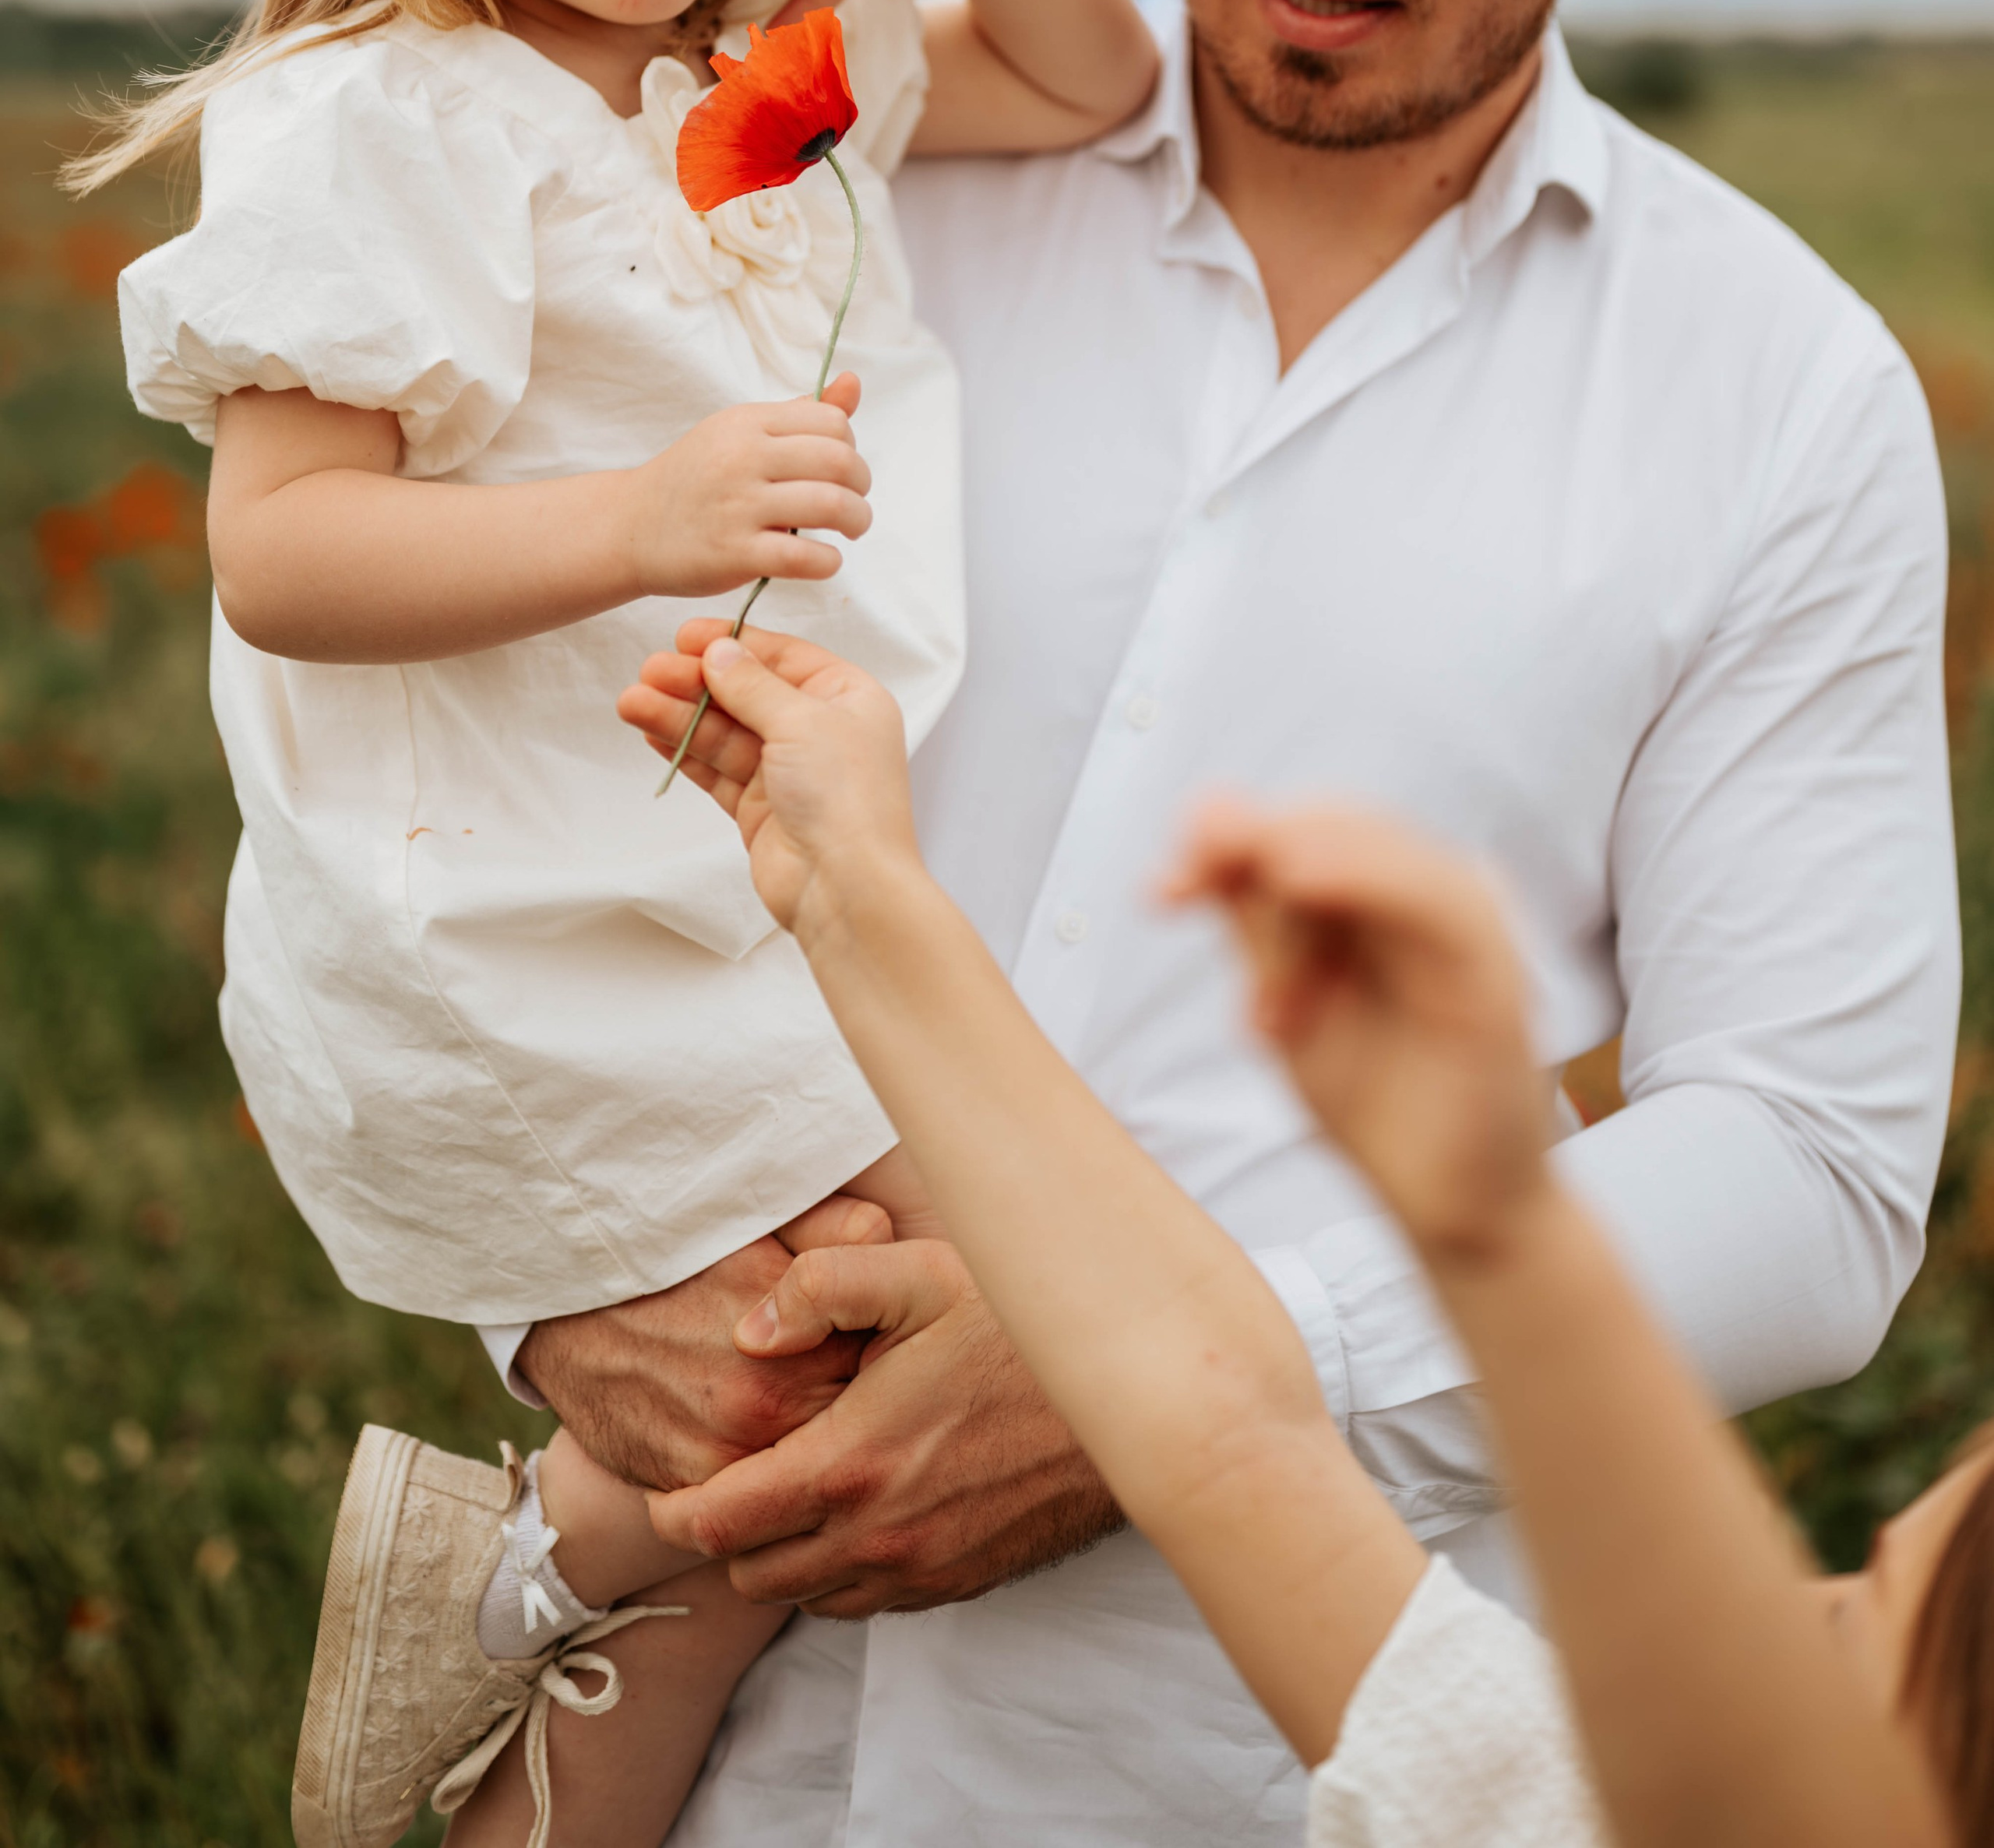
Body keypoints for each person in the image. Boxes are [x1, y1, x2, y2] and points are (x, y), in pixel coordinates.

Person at [530, 0, 1960, 1848]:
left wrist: (1182, 1365)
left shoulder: (1784, 395)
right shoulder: (831, 165)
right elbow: (450, 750)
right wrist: (562, 1286)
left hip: (1243, 1765)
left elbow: (1811, 1163)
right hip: (644, 1719)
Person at [90, 0, 1157, 1846]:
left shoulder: (779, 64)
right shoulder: (382, 116)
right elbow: (285, 549)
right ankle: (537, 1565)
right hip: (524, 914)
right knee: (821, 1373)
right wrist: (633, 516)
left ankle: (527, 1626)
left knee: (795, 1456)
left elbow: (1091, 88)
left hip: (728, 868)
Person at [618, 615, 1981, 1848]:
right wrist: (1483, 1214)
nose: (1788, 1617)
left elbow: (1223, 1432)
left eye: (1860, 1621)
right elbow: (1225, 1436)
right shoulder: (1523, 1792)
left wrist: (858, 893)